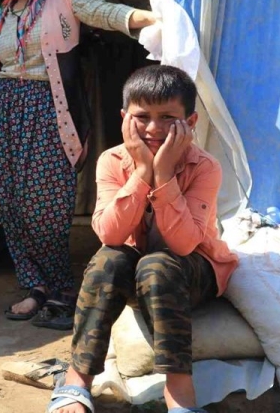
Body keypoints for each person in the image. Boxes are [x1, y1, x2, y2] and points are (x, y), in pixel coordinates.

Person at [0, 0, 157, 326]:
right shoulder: (3, 13)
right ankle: (34, 287)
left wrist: (154, 18)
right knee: (14, 207)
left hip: (50, 111)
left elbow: (106, 13)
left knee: (47, 208)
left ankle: (61, 289)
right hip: (5, 112)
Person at [46, 65, 240, 413]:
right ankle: (78, 378)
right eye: (142, 117)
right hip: (136, 274)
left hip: (191, 274)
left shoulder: (204, 166)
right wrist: (141, 172)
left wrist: (163, 174)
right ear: (124, 119)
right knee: (108, 259)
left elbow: (183, 245)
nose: (153, 128)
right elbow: (110, 234)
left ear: (191, 122)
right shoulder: (112, 161)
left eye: (167, 118)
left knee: (158, 264)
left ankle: (179, 392)